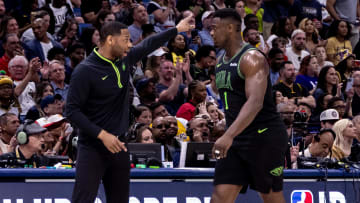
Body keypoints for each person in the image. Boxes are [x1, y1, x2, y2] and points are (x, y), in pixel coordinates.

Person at [65, 16, 194, 202]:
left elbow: (149, 43)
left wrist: (177, 28)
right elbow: (72, 112)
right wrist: (102, 135)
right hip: (92, 147)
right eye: (126, 40)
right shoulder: (85, 70)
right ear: (110, 40)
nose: (130, 44)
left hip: (120, 145)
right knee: (82, 200)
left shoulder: (124, 59)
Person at [210, 9, 288, 203]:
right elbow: (232, 101)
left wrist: (228, 134)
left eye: (214, 28)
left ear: (229, 28)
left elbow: (255, 102)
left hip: (264, 135)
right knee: (220, 196)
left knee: (270, 195)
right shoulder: (220, 62)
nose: (211, 33)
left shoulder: (252, 58)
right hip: (237, 138)